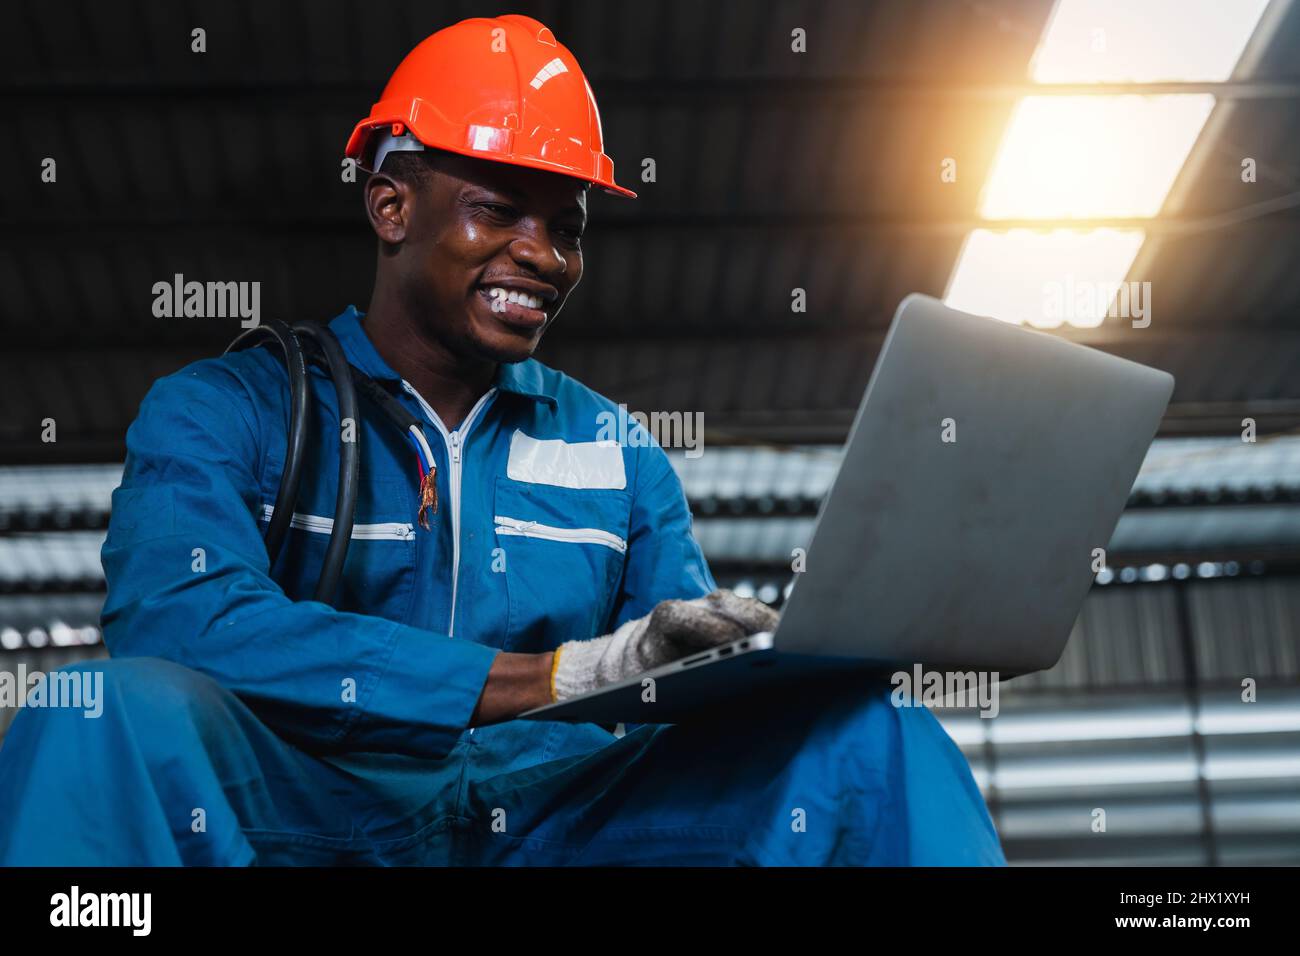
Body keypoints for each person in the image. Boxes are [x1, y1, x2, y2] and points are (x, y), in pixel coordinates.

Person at [0, 14, 1004, 866]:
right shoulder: (228, 409)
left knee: (877, 741)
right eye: (497, 210)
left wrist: (761, 659)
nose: (543, 255)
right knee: (98, 707)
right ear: (390, 204)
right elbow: (178, 618)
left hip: (555, 824)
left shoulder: (614, 449)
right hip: (308, 810)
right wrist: (552, 675)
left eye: (565, 227)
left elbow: (682, 697)